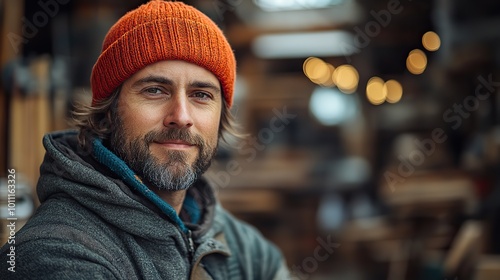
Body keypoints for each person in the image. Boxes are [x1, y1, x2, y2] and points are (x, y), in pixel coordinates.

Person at [0, 1, 290, 279]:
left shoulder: (236, 241)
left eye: (201, 95)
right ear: (109, 112)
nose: (181, 116)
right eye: (155, 90)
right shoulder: (56, 255)